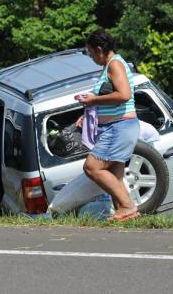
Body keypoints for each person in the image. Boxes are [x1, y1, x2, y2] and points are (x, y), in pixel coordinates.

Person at [76, 29, 140, 222]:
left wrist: (94, 100)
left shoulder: (115, 65)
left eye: (90, 53)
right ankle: (125, 214)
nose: (91, 57)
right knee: (114, 175)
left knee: (92, 167)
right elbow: (110, 98)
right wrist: (87, 113)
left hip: (119, 127)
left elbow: (124, 95)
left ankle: (127, 206)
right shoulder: (110, 66)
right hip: (116, 127)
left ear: (99, 49)